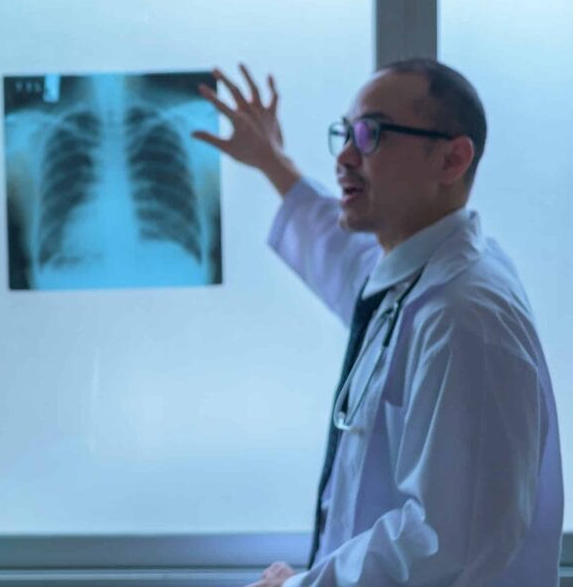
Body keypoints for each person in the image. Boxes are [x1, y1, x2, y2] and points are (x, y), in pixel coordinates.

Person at [194, 61, 562, 585]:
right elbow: (347, 260)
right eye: (345, 134)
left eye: (372, 134)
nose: (344, 156)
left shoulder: (462, 318)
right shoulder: (415, 276)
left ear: (452, 158)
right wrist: (273, 164)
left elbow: (440, 547)